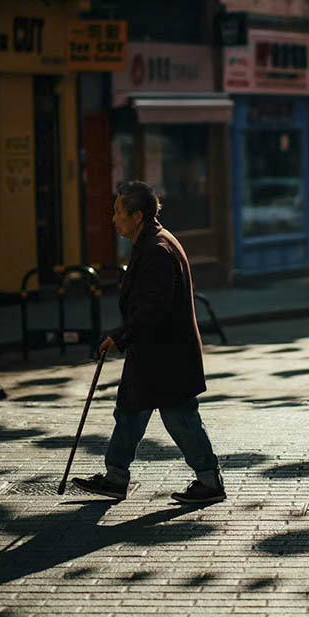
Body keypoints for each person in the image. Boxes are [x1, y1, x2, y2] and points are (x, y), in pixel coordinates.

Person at [73, 181, 225, 505]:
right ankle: (116, 476)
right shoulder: (151, 242)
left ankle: (209, 480)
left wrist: (120, 337)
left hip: (166, 355)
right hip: (155, 353)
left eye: (117, 212)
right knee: (129, 412)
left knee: (180, 418)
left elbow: (152, 309)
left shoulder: (156, 249)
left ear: (137, 216)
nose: (112, 218)